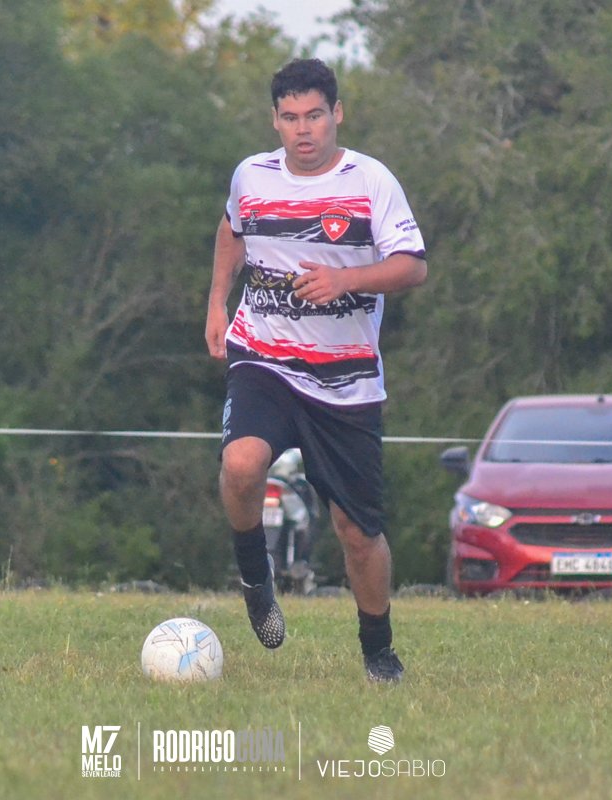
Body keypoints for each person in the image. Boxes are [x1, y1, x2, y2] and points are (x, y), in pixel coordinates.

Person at [204, 58, 427, 683]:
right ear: (274, 120)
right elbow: (232, 229)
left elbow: (413, 266)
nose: (304, 130)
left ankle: (378, 650)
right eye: (291, 118)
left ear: (337, 115)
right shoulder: (252, 175)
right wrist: (217, 302)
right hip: (265, 356)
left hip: (346, 381)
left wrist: (346, 280)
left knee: (357, 532)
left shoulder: (371, 181)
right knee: (241, 463)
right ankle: (256, 577)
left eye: (315, 116)